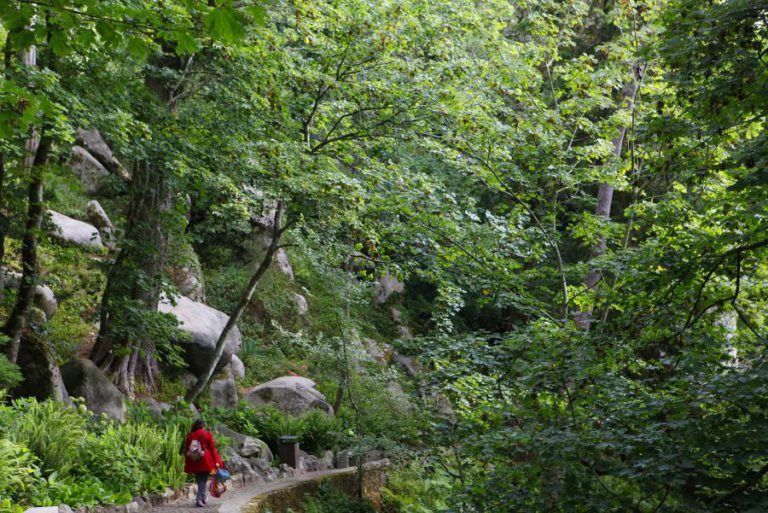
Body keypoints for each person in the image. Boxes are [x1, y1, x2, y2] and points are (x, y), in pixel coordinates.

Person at [183, 418, 224, 507]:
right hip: (205, 460)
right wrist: (217, 461)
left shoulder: (190, 435)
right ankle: (199, 499)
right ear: (203, 425)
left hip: (195, 460)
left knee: (200, 479)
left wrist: (188, 462)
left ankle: (204, 497)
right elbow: (212, 449)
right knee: (203, 479)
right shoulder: (207, 434)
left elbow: (186, 450)